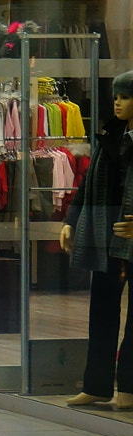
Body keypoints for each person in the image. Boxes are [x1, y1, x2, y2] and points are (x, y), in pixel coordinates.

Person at [61, 71, 133, 409]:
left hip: (129, 234)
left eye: (126, 96)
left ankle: (130, 388)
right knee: (101, 311)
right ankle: (97, 385)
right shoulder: (111, 135)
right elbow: (88, 181)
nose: (117, 102)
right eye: (116, 95)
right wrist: (72, 221)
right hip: (105, 233)